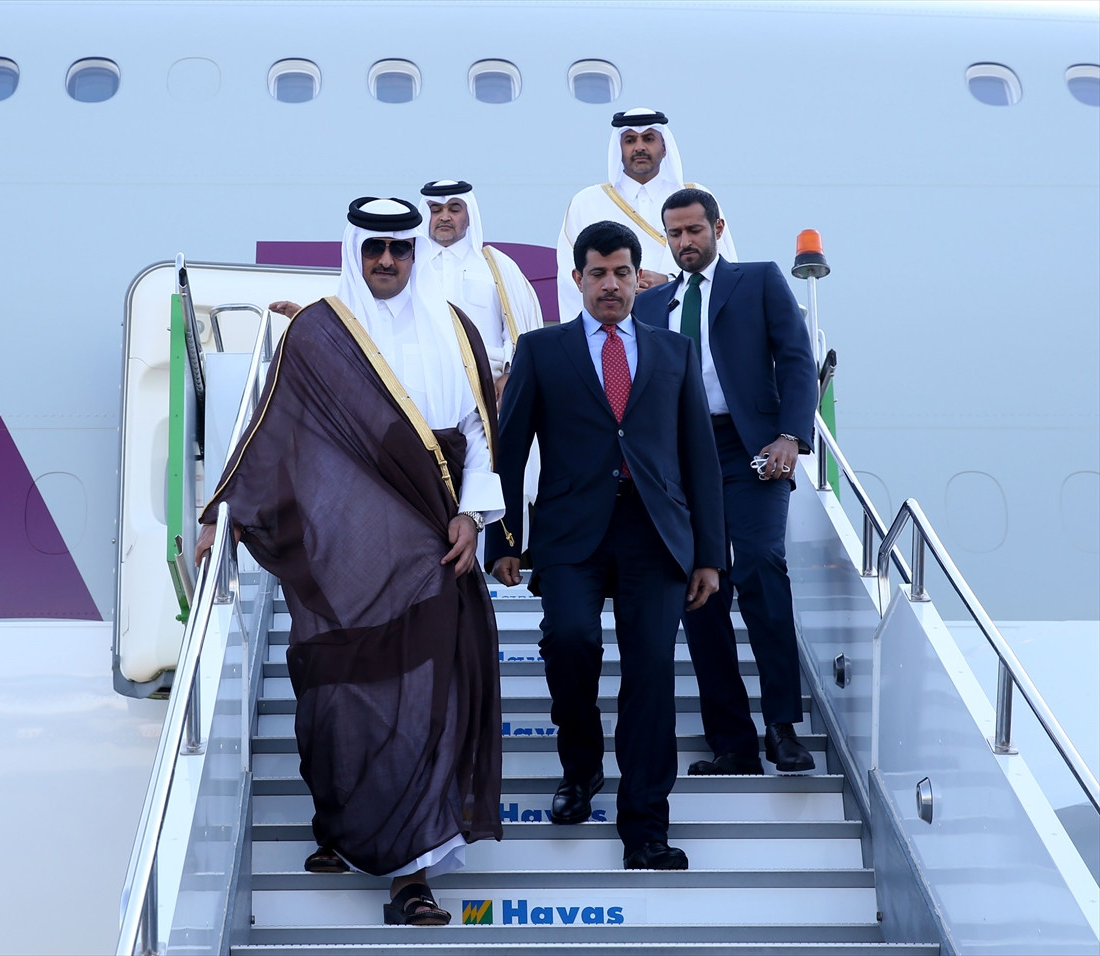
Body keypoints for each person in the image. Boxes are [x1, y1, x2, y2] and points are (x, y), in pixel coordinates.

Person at [195, 197, 506, 926]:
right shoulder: (318, 331)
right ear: (354, 251)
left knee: (429, 696)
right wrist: (221, 515)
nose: (387, 261)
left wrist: (473, 513)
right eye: (375, 249)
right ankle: (341, 823)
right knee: (335, 698)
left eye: (400, 248)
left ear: (416, 252)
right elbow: (272, 431)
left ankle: (411, 876)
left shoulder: (456, 328)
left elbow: (479, 433)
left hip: (434, 540)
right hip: (344, 548)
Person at [487, 220, 725, 871]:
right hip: (570, 533)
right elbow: (510, 451)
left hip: (656, 535)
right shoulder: (542, 350)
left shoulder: (674, 352)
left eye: (622, 273)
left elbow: (699, 458)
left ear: (637, 278)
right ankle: (581, 764)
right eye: (598, 274)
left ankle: (645, 830)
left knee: (650, 677)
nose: (611, 285)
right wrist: (504, 539)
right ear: (577, 279)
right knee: (570, 642)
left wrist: (709, 554)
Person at [633, 188, 818, 776]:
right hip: (681, 459)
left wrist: (791, 435)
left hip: (750, 447)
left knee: (761, 563)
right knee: (700, 591)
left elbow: (796, 360)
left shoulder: (757, 280)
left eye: (695, 230)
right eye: (675, 233)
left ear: (717, 228)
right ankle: (733, 743)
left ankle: (782, 727)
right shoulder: (649, 304)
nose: (685, 242)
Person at [555, 107, 737, 322]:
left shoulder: (696, 197)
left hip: (685, 320)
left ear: (664, 147)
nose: (639, 147)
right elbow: (571, 279)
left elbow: (723, 268)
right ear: (619, 148)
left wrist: (670, 282)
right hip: (612, 326)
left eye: (649, 139)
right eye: (630, 140)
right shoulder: (587, 202)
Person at [419, 179, 543, 405]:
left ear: (469, 216)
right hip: (423, 387)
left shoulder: (495, 265)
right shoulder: (412, 267)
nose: (444, 217)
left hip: (488, 389)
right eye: (436, 210)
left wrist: (511, 375)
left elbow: (522, 330)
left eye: (454, 209)